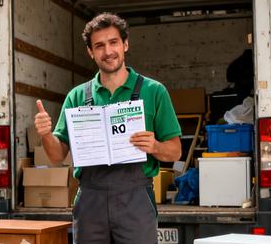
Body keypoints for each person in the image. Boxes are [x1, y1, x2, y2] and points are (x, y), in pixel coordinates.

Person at [33, 13, 182, 243]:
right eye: (99, 46)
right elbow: (56, 156)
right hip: (90, 200)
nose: (108, 51)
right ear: (91, 52)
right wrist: (45, 135)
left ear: (125, 44)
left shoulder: (154, 91)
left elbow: (175, 151)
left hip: (136, 200)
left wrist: (154, 146)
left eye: (113, 42)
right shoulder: (77, 96)